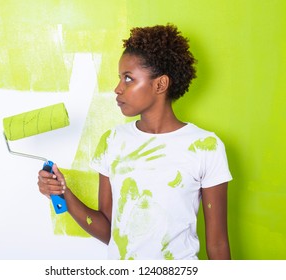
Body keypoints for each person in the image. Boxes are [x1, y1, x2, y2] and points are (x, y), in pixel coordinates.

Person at [38, 24, 232, 260]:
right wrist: (63, 192)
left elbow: (218, 244)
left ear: (160, 84)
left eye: (128, 79)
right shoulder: (112, 142)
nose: (117, 89)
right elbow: (108, 231)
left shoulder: (206, 147)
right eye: (120, 78)